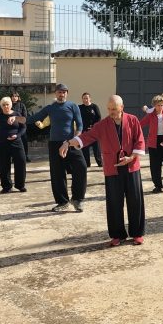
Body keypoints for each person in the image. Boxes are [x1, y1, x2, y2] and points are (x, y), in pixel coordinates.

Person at [62, 95, 146, 246]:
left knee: (135, 200)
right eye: (109, 109)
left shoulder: (133, 120)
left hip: (131, 166)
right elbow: (86, 137)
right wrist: (68, 143)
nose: (111, 112)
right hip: (112, 168)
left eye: (114, 109)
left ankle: (137, 233)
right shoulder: (102, 124)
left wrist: (132, 157)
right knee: (114, 202)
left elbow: (139, 141)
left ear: (122, 107)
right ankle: (117, 235)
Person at [13, 83, 87, 212]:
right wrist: (16, 118)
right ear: (55, 93)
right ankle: (62, 202)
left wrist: (75, 139)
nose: (61, 94)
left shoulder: (73, 106)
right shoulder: (50, 108)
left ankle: (77, 199)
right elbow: (33, 118)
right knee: (57, 173)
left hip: (70, 143)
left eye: (64, 92)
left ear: (67, 93)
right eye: (59, 92)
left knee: (81, 167)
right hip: (54, 144)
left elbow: (80, 125)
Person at [0, 97, 27, 193]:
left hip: (16, 142)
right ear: (1, 106)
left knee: (21, 162)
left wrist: (17, 135)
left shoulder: (17, 115)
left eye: (7, 104)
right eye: (3, 105)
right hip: (1, 143)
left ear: (11, 105)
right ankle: (6, 186)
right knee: (4, 165)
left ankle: (20, 185)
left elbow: (23, 128)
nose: (6, 106)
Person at [140, 95, 163, 193]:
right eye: (158, 105)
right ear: (154, 105)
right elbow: (140, 124)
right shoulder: (150, 115)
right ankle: (158, 186)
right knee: (155, 165)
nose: (160, 107)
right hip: (154, 143)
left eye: (162, 105)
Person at [79, 92, 102, 167]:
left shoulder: (94, 106)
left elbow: (99, 117)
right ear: (82, 99)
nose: (85, 100)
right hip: (84, 131)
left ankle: (100, 163)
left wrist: (94, 126)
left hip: (94, 131)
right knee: (85, 148)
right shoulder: (80, 107)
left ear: (90, 98)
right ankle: (87, 163)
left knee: (96, 148)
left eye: (87, 98)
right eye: (84, 98)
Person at [10, 90, 30, 162]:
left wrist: (19, 120)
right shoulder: (9, 105)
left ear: (18, 97)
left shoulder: (22, 105)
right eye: (13, 96)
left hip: (21, 126)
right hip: (12, 126)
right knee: (13, 142)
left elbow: (25, 115)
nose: (14, 98)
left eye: (16, 96)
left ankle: (25, 156)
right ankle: (14, 157)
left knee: (24, 141)